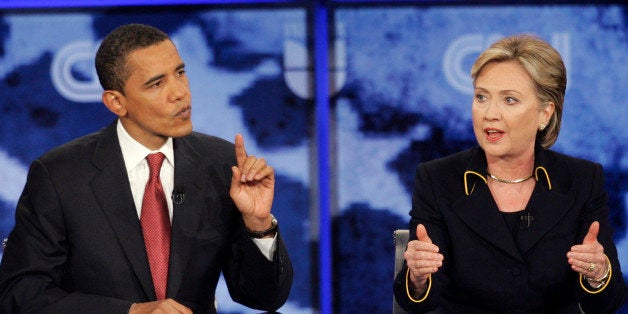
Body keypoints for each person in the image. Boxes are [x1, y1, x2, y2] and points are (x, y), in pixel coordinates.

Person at [0, 23, 292, 313]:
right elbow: (22, 293)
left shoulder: (220, 163)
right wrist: (130, 312)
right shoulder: (60, 175)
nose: (180, 93)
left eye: (180, 73)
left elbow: (264, 298)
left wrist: (258, 225)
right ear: (116, 102)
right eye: (156, 83)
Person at [393, 34, 625, 313]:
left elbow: (607, 302)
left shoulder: (582, 180)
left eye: (510, 100)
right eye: (481, 97)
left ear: (545, 113)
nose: (490, 113)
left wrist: (597, 274)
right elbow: (416, 301)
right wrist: (418, 277)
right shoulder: (438, 179)